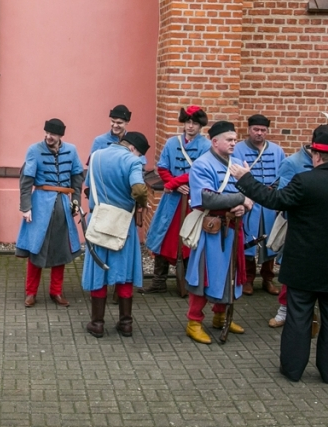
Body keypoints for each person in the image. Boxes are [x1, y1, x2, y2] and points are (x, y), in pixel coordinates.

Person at [230, 125, 328, 383]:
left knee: (298, 318)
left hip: (303, 265)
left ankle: (293, 370)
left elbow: (275, 201)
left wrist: (245, 179)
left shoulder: (305, 181)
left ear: (316, 155)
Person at [183, 121, 250, 344]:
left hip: (233, 228)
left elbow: (250, 192)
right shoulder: (202, 165)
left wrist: (246, 205)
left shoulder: (238, 163)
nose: (234, 143)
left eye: (235, 139)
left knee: (229, 275)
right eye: (229, 140)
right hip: (211, 229)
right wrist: (241, 199)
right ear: (215, 141)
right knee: (204, 276)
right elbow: (207, 198)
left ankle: (221, 317)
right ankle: (194, 322)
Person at [82, 132, 151, 337]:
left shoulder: (96, 156)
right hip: (123, 224)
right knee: (125, 272)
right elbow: (138, 189)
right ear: (132, 149)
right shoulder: (132, 161)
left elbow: (87, 185)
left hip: (99, 220)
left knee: (98, 273)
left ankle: (97, 323)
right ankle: (126, 323)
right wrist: (142, 202)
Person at [15, 118, 84, 308]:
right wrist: (25, 207)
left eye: (52, 134)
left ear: (61, 135)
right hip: (40, 206)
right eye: (46, 133)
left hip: (63, 204)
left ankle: (56, 291)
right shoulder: (34, 150)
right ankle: (30, 293)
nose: (48, 137)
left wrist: (76, 200)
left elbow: (77, 176)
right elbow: (26, 181)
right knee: (36, 249)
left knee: (60, 250)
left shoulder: (71, 150)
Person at [142, 105, 210, 294]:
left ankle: (189, 282)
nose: (190, 126)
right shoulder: (172, 143)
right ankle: (159, 282)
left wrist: (173, 183)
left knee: (190, 239)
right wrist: (174, 184)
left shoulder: (206, 146)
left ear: (200, 125)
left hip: (192, 200)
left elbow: (199, 171)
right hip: (172, 200)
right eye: (188, 122)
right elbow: (162, 167)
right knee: (162, 237)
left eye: (194, 123)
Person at [232, 114, 285, 295]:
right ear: (249, 130)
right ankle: (247, 280)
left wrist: (274, 192)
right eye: (256, 129)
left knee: (271, 241)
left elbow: (282, 176)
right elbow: (235, 175)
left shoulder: (277, 151)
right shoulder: (238, 150)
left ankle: (268, 279)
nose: (259, 133)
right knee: (249, 240)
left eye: (263, 130)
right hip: (250, 202)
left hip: (269, 203)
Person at [267, 141, 315, 328]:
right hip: (297, 224)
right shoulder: (292, 163)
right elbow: (284, 196)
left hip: (322, 227)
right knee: (292, 269)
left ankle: (310, 312)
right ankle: (284, 310)